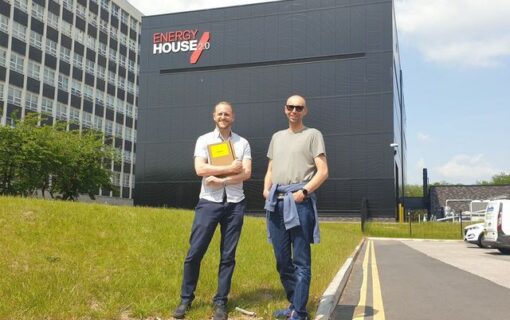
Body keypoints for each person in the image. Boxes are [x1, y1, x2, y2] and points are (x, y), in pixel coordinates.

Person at [173, 101, 252, 320]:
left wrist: (220, 180)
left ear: (233, 117)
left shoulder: (242, 142)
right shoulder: (204, 140)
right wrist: (229, 169)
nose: (223, 117)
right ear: (214, 116)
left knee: (228, 256)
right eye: (220, 114)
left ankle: (220, 303)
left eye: (227, 114)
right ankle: (186, 299)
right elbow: (200, 169)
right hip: (209, 203)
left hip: (235, 204)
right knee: (195, 252)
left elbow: (246, 173)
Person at [263, 95, 329, 320]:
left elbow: (323, 171)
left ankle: (299, 312)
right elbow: (271, 169)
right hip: (276, 202)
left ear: (305, 111)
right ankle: (294, 304)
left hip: (300, 203)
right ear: (285, 109)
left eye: (298, 107)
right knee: (282, 261)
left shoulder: (313, 135)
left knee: (301, 260)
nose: (294, 110)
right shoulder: (276, 137)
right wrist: (266, 188)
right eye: (290, 107)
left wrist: (304, 192)